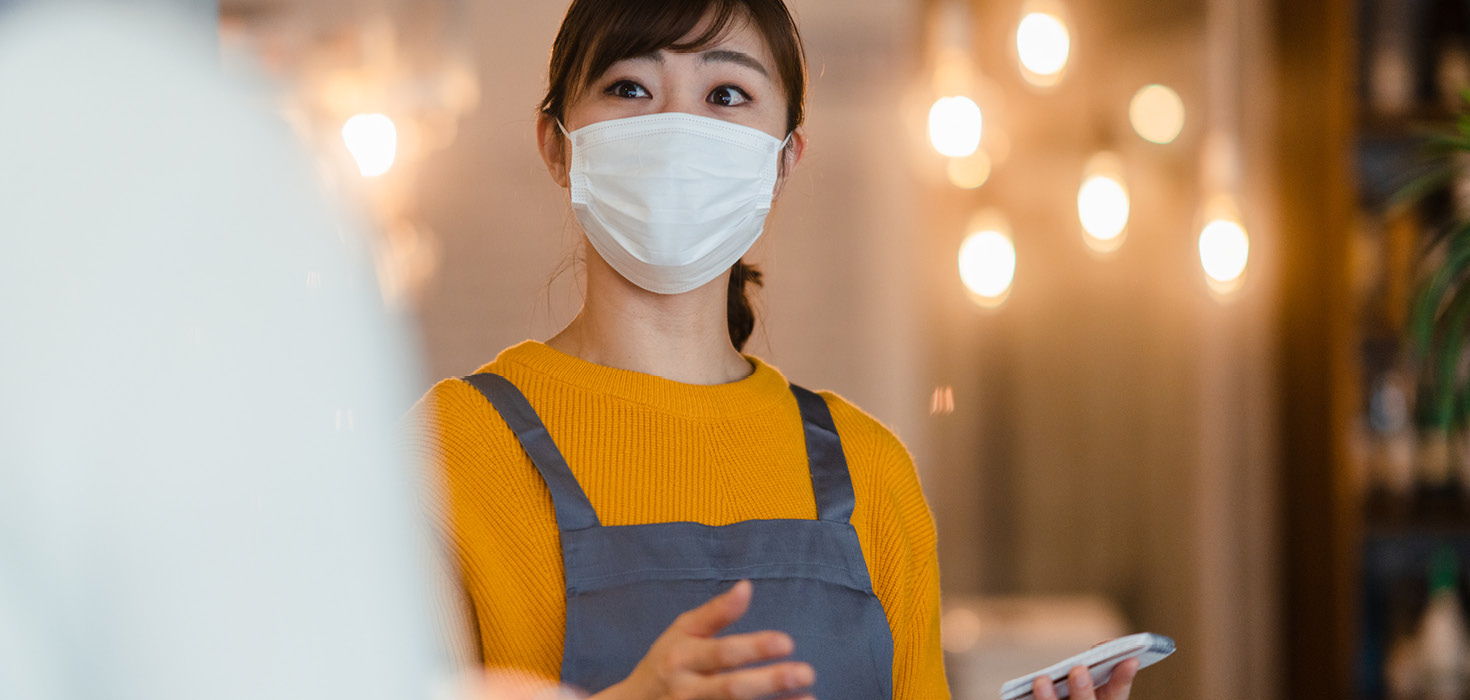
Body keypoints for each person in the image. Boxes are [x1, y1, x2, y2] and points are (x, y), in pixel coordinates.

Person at [409, 1, 1139, 699]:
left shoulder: (872, 472)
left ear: (783, 159)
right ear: (556, 145)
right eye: (630, 86)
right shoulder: (447, 449)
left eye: (727, 94)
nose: (677, 129)